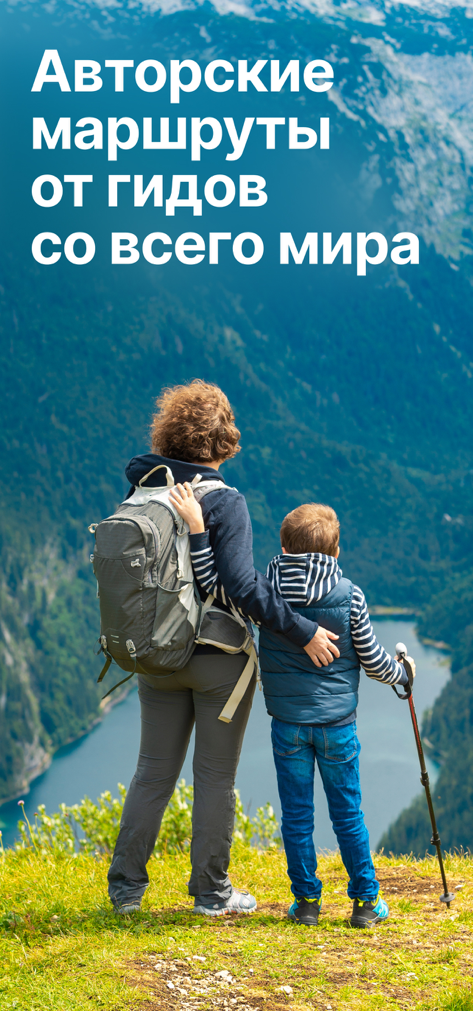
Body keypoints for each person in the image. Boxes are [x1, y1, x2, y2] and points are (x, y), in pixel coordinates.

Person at [107, 380, 340, 917]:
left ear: (170, 431)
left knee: (151, 772)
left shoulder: (143, 492)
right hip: (218, 661)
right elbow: (241, 586)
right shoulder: (224, 500)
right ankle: (211, 894)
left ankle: (125, 892)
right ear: (223, 437)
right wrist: (302, 631)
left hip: (156, 654)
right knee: (214, 777)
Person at [174, 494, 410, 929]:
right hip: (338, 726)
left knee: (297, 816)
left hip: (288, 725)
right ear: (336, 551)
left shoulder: (263, 593)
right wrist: (403, 675)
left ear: (283, 550)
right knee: (348, 814)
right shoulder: (350, 596)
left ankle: (306, 903)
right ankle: (365, 903)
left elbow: (210, 581)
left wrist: (197, 531)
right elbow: (375, 661)